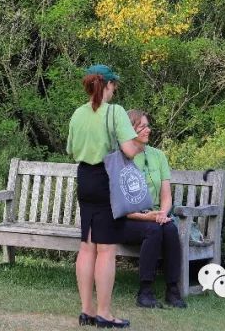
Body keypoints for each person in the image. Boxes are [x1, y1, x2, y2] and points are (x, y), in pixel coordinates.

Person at [67, 64, 141, 329]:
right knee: (106, 250)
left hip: (85, 179)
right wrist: (140, 142)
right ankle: (104, 314)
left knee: (87, 247)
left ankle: (86, 311)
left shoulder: (78, 114)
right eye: (114, 86)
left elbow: (71, 149)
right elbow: (130, 150)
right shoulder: (115, 112)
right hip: (107, 180)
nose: (115, 90)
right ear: (108, 85)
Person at [122, 109, 187, 309]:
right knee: (153, 230)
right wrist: (148, 217)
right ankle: (145, 291)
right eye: (142, 126)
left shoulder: (158, 156)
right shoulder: (120, 157)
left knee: (170, 229)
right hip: (126, 219)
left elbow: (166, 195)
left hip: (154, 216)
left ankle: (172, 290)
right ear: (129, 130)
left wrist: (162, 214)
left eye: (148, 125)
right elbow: (120, 205)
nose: (148, 130)